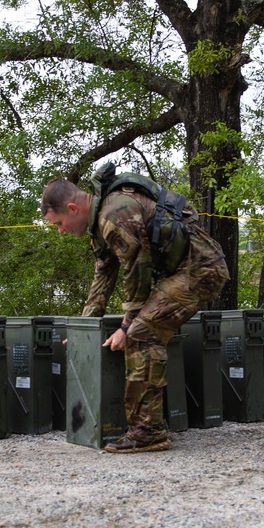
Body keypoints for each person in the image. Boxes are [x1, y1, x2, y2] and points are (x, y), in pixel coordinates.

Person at [41, 164, 229, 452]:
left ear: (72, 208)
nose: (59, 231)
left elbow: (136, 271)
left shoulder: (114, 215)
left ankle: (148, 431)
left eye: (58, 223)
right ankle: (149, 426)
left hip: (201, 270)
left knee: (143, 332)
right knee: (142, 328)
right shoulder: (102, 221)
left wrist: (127, 327)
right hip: (184, 271)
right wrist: (84, 328)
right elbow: (103, 277)